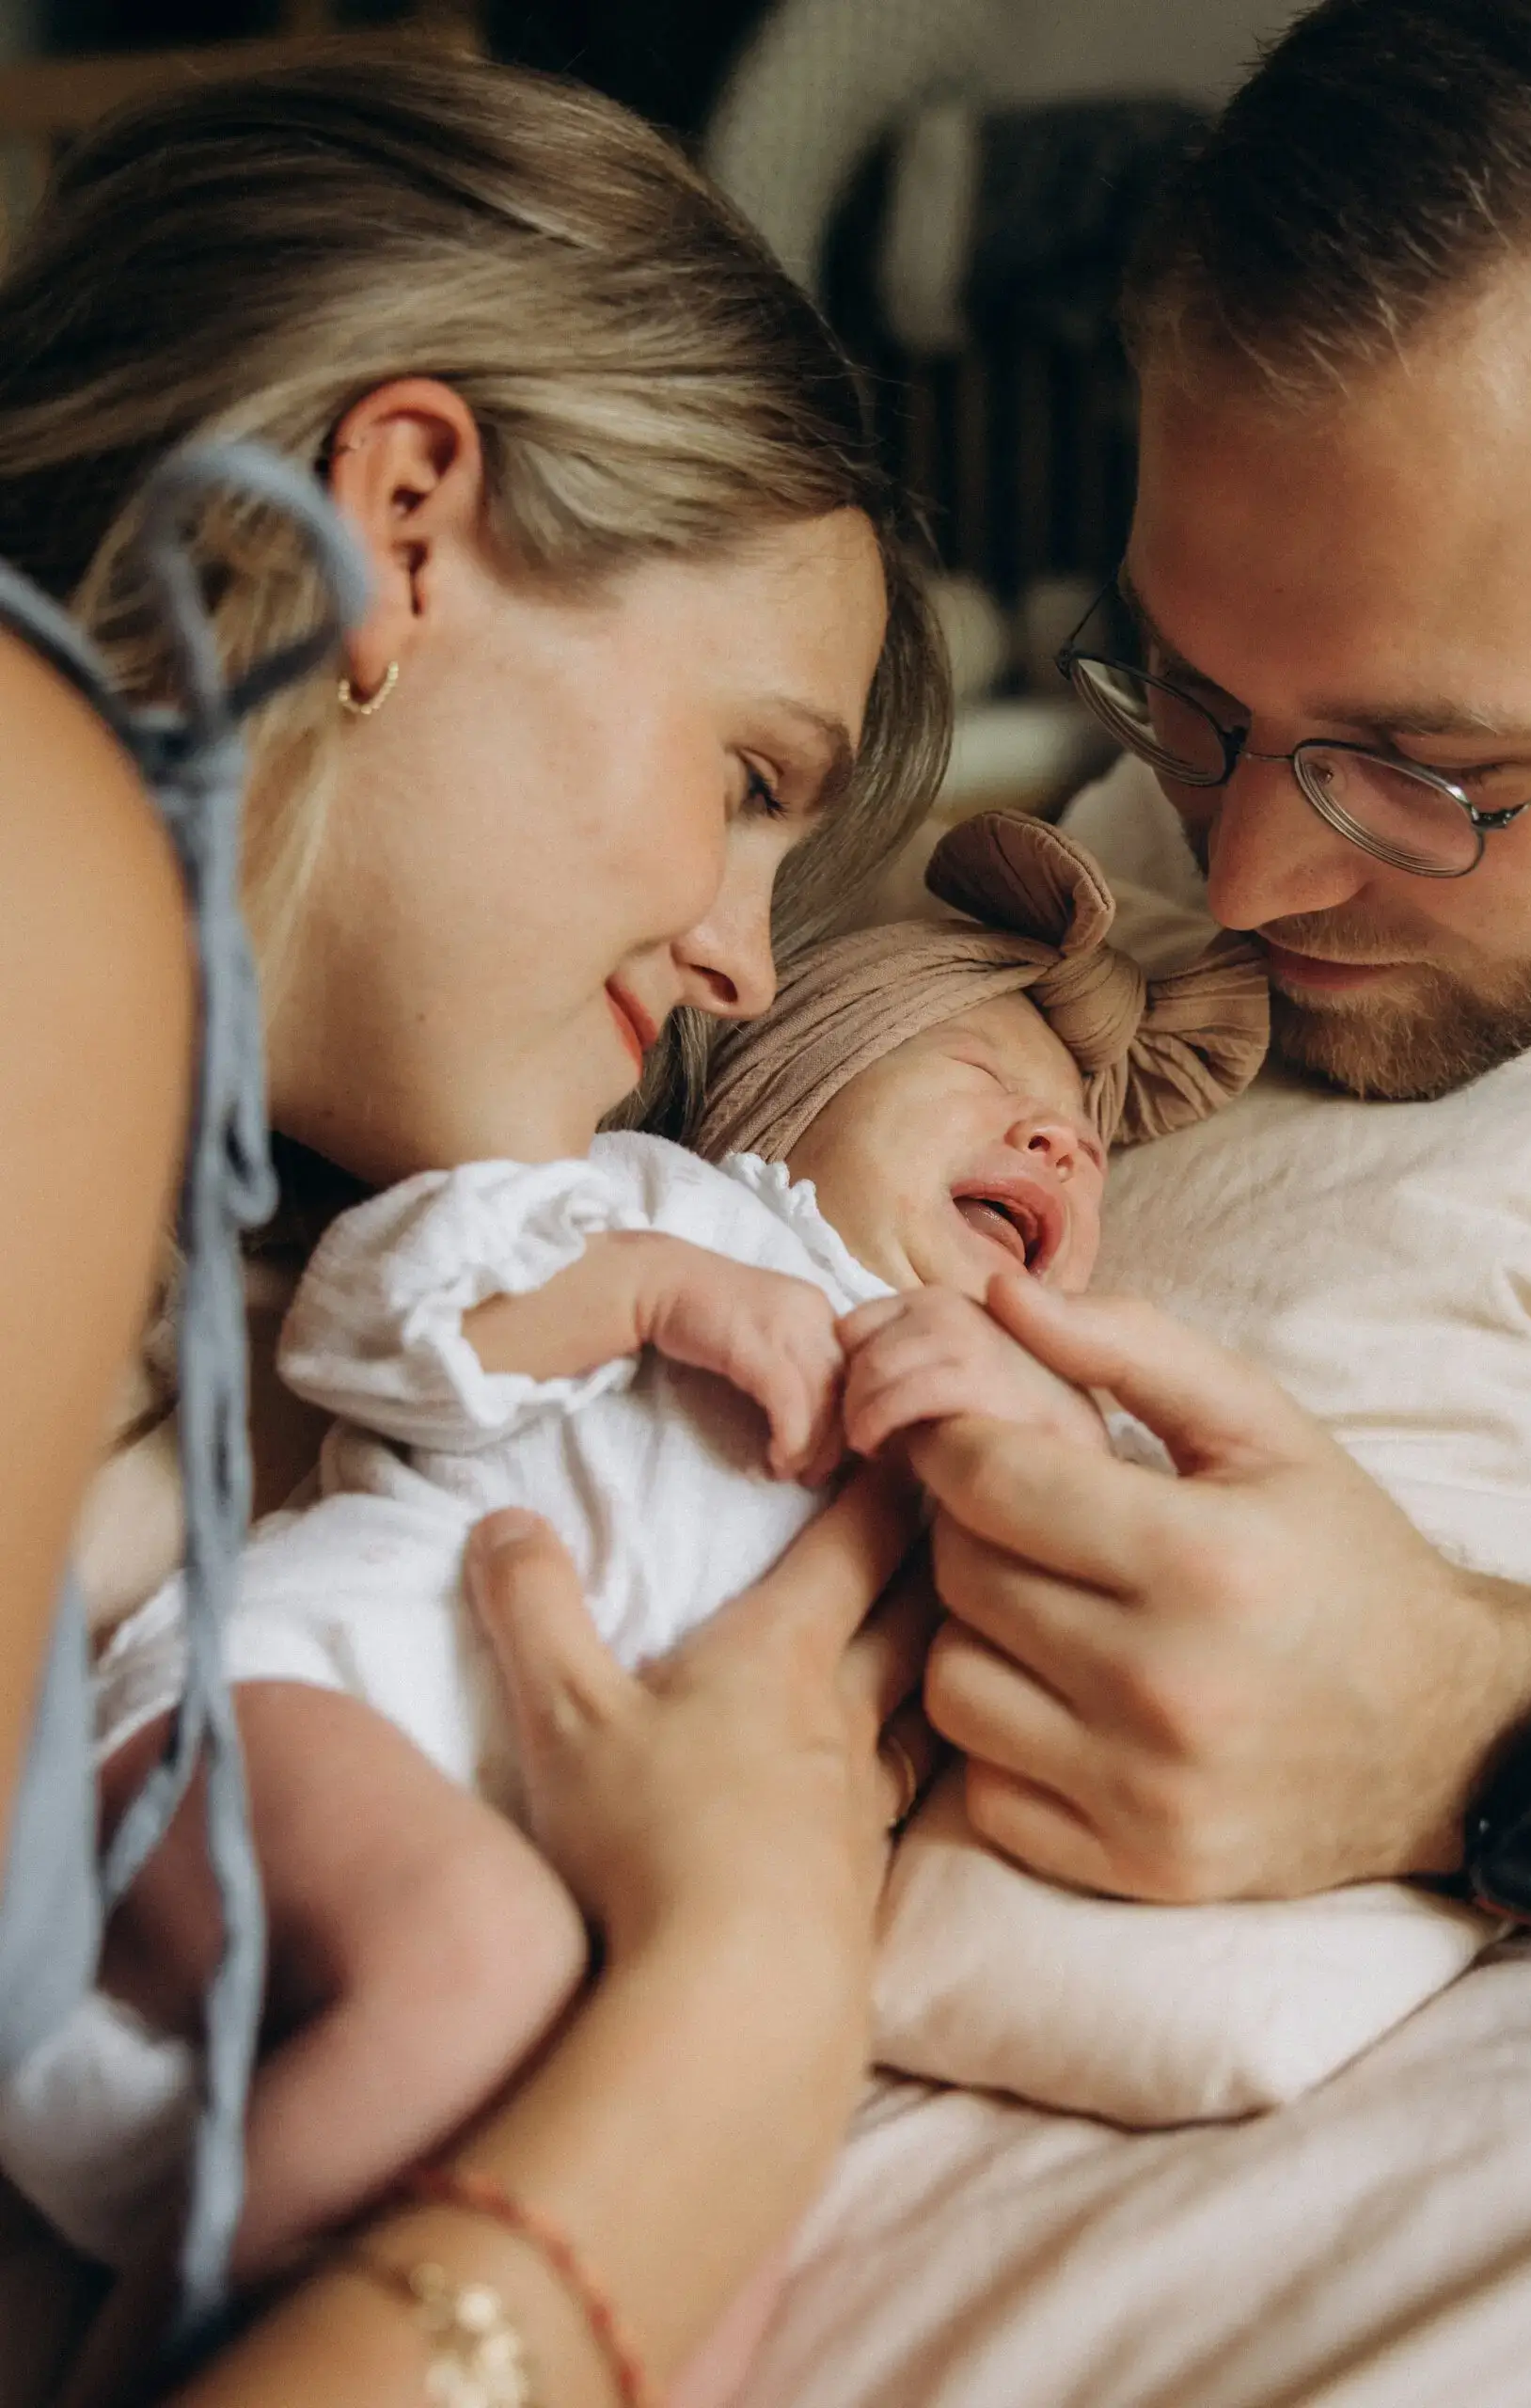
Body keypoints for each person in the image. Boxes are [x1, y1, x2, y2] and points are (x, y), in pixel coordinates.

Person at [0, 46, 956, 2401]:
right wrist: (736, 2018)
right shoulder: (42, 847)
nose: (742, 952)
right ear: (401, 521)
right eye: (748, 780)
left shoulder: (197, 1264)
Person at [900, 0, 1531, 2016]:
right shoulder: (1228, 781)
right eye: (1190, 694)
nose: (1258, 884)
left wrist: (1489, 1722)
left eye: (1424, 770)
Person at [9, 814, 1263, 2285]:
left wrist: (1031, 1449)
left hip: (527, 1972)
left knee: (695, 2260)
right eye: (986, 1082)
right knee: (475, 1954)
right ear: (796, 1092)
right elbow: (357, 1324)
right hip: (288, 1718)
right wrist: (650, 1291)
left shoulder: (1026, 1429)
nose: (1059, 1142)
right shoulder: (657, 1203)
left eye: (1086, 1150)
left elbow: (1089, 1669)